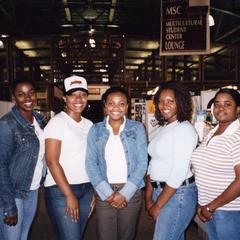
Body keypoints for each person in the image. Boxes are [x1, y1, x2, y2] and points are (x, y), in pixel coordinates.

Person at [85, 86, 148, 240]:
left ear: (127, 107)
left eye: (121, 103)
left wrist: (124, 193)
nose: (116, 108)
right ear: (105, 107)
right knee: (105, 236)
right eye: (111, 103)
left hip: (131, 192)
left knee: (127, 235)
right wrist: (110, 194)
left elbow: (142, 163)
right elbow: (91, 164)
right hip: (104, 192)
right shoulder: (95, 130)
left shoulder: (137, 128)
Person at [145, 82, 198, 240]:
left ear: (180, 102)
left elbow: (178, 173)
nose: (164, 105)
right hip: (161, 192)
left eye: (170, 101)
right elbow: (152, 165)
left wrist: (158, 204)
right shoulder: (163, 128)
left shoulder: (184, 129)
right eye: (161, 101)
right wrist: (148, 198)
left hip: (178, 194)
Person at [44, 75, 93, 240]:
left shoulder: (89, 125)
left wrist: (93, 191)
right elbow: (51, 161)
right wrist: (69, 194)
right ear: (65, 98)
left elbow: (91, 160)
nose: (79, 99)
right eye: (73, 94)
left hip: (86, 189)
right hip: (61, 190)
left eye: (83, 94)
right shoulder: (57, 123)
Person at [191, 88, 240, 240]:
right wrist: (203, 204)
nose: (221, 108)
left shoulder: (237, 136)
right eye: (217, 104)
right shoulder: (213, 131)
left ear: (238, 109)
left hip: (228, 211)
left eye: (227, 104)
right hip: (209, 208)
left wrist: (210, 206)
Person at [0, 77, 45, 240]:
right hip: (12, 192)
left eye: (31, 93)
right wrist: (9, 205)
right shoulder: (7, 124)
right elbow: (1, 165)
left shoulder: (39, 121)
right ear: (14, 97)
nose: (27, 98)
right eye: (21, 94)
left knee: (23, 236)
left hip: (32, 190)